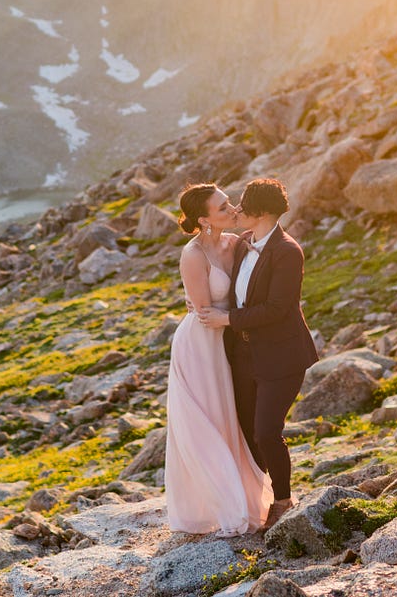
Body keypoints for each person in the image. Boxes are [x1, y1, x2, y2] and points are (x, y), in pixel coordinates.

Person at [197, 177, 317, 530]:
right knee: (247, 432)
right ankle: (254, 500)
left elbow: (278, 308)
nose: (237, 210)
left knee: (267, 432)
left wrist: (227, 319)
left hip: (282, 357)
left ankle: (282, 500)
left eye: (243, 205)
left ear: (261, 212)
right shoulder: (243, 244)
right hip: (244, 355)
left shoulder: (288, 251)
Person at [163, 183, 272, 536]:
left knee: (229, 421)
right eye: (223, 206)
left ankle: (243, 499)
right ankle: (225, 507)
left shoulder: (237, 243)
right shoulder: (193, 255)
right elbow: (203, 312)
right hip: (200, 347)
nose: (232, 208)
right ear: (203, 219)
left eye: (229, 202)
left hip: (227, 343)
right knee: (206, 424)